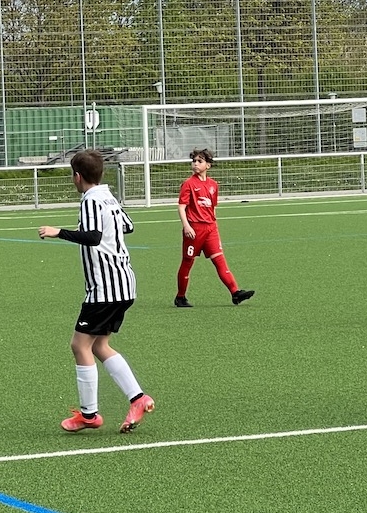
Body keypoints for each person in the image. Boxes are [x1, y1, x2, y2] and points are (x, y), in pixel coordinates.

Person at [39, 148, 154, 434]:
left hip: (105, 288)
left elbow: (92, 237)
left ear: (77, 177)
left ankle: (89, 415)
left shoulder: (91, 199)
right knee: (99, 346)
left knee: (80, 345)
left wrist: (58, 232)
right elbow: (128, 226)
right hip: (124, 283)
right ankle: (138, 399)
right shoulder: (108, 196)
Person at [173, 148, 254, 308]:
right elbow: (181, 207)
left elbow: (212, 207)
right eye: (194, 161)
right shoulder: (188, 184)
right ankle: (180, 297)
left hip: (210, 229)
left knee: (219, 260)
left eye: (200, 161)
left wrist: (214, 224)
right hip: (194, 229)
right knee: (187, 262)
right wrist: (187, 226)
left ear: (208, 165)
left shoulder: (213, 185)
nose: (195, 164)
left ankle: (235, 293)